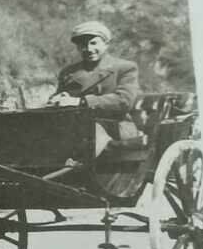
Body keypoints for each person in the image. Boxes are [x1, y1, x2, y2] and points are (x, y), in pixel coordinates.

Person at [48, 20, 140, 154]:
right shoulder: (68, 72)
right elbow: (60, 97)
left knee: (83, 133)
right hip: (74, 126)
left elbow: (124, 101)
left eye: (93, 43)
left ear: (106, 44)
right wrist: (57, 99)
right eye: (83, 45)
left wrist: (81, 101)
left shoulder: (125, 68)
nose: (89, 49)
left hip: (114, 127)